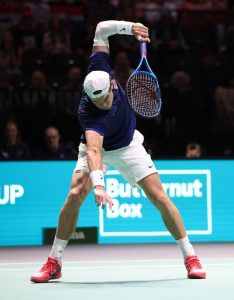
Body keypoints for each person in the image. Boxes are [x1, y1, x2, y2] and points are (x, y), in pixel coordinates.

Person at [30, 20, 206, 283]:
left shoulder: (99, 68)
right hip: (98, 148)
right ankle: (54, 261)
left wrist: (130, 27)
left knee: (158, 196)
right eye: (96, 100)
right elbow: (93, 151)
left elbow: (101, 28)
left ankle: (190, 257)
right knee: (76, 192)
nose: (103, 102)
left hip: (128, 144)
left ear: (110, 83)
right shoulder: (89, 115)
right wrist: (98, 185)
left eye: (104, 98)